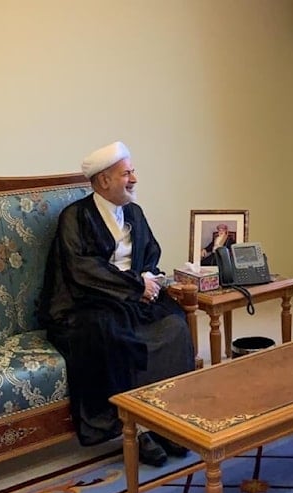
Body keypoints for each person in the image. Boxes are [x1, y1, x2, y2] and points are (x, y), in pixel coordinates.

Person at [39, 141, 195, 467]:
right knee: (112, 334)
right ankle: (135, 428)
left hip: (132, 295)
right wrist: (137, 286)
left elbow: (150, 252)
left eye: (133, 171)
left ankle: (167, 420)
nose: (134, 179)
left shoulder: (134, 212)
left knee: (174, 323)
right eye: (127, 173)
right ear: (104, 181)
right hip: (87, 302)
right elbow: (82, 270)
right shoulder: (75, 217)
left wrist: (149, 281)